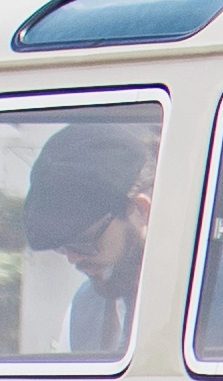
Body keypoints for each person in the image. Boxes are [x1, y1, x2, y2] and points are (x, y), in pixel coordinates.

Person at [17, 121, 157, 358]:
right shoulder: (81, 309)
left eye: (85, 242)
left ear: (141, 211)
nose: (73, 258)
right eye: (62, 248)